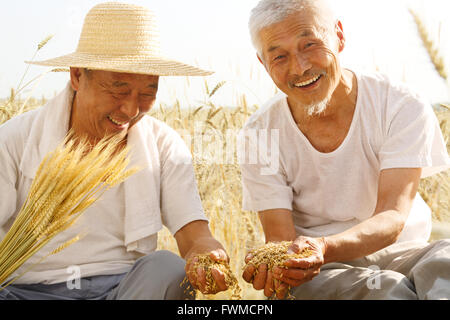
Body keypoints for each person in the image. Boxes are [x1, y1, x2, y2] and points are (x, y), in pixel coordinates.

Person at [0, 2, 229, 300]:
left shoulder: (164, 145)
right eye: (118, 90)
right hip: (24, 291)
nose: (132, 109)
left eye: (148, 93)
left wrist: (206, 256)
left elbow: (195, 235)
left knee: (168, 269)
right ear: (77, 76)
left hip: (124, 290)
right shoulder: (14, 139)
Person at [239, 0, 450, 300]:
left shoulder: (400, 104)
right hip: (320, 271)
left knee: (446, 260)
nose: (300, 67)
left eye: (310, 44)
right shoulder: (259, 133)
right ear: (263, 63)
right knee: (385, 289)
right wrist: (278, 264)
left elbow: (392, 215)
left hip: (407, 252)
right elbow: (280, 238)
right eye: (280, 56)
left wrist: (325, 245)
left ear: (339, 36)